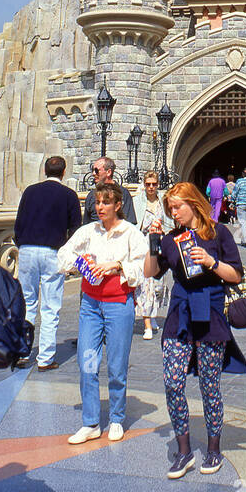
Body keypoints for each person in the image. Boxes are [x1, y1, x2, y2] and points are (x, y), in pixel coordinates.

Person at [144, 182, 246, 479]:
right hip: (180, 313)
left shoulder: (218, 233)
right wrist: (153, 240)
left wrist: (212, 261)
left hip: (210, 312)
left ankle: (214, 448)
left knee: (209, 386)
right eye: (170, 209)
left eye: (178, 207)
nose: (174, 213)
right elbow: (151, 272)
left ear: (194, 204)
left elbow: (236, 275)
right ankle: (184, 449)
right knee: (173, 382)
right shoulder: (171, 238)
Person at [59, 182, 149, 443]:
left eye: (105, 203)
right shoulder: (89, 231)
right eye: (97, 203)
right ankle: (90, 422)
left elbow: (142, 268)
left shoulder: (130, 233)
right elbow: (64, 254)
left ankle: (117, 418)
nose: (100, 208)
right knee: (87, 362)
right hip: (90, 305)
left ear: (117, 205)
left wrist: (118, 266)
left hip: (118, 303)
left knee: (117, 364)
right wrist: (81, 263)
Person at [12, 155, 82, 372]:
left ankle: (23, 352)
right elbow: (75, 229)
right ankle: (45, 358)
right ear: (63, 172)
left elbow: (19, 221)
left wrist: (22, 242)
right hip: (53, 251)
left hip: (27, 250)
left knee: (27, 302)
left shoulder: (30, 191)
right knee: (51, 306)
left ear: (44, 171)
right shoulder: (69, 195)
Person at [137, 169, 173, 338]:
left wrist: (163, 230)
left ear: (158, 185)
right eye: (148, 184)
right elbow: (132, 222)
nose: (151, 187)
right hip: (144, 245)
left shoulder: (163, 202)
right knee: (146, 284)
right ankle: (147, 324)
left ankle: (153, 314)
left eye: (154, 184)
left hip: (160, 244)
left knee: (158, 283)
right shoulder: (137, 201)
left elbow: (171, 223)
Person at [83, 157, 136, 224]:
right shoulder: (91, 195)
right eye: (92, 170)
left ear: (108, 172)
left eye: (96, 170)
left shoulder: (123, 194)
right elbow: (86, 223)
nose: (93, 173)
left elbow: (129, 222)